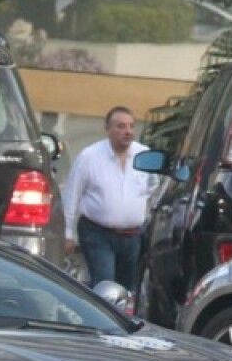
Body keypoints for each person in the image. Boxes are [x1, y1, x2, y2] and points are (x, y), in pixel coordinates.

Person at [62, 106, 161, 290]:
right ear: (107, 129)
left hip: (132, 237)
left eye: (131, 126)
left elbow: (154, 186)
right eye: (121, 126)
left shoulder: (144, 154)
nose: (128, 132)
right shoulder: (89, 157)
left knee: (127, 289)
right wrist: (67, 233)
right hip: (98, 233)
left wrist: (138, 207)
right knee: (105, 285)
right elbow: (72, 195)